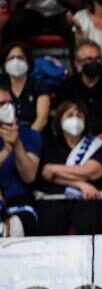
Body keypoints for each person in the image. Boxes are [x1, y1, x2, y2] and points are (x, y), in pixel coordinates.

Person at [35, 99, 102, 235]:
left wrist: (55, 169)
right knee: (50, 219)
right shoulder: (50, 144)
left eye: (79, 116)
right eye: (70, 115)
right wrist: (81, 184)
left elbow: (93, 172)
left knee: (92, 218)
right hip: (55, 197)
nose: (75, 119)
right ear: (60, 119)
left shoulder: (96, 144)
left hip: (89, 198)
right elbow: (47, 174)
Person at [56, 40, 102, 141]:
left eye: (98, 59)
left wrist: (97, 140)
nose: (94, 63)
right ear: (77, 63)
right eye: (89, 59)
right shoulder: (67, 86)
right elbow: (61, 119)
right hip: (74, 140)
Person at [0, 85, 41, 237]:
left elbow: (29, 176)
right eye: (1, 104)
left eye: (10, 103)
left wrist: (16, 144)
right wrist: (6, 150)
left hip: (19, 205)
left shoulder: (30, 135)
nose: (7, 107)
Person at [0, 43, 50, 132]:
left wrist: (29, 137)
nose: (15, 62)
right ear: (4, 64)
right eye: (11, 58)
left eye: (20, 58)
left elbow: (42, 119)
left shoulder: (39, 84)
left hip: (33, 134)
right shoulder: (1, 83)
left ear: (28, 62)